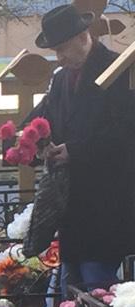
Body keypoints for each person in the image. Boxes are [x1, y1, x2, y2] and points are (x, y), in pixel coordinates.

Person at [10, 5, 135, 291]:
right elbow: (45, 119)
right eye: (55, 51)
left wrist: (75, 151)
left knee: (98, 289)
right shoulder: (61, 78)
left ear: (82, 37)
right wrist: (33, 143)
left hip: (108, 202)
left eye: (63, 48)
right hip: (72, 206)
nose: (60, 57)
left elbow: (126, 131)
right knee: (71, 290)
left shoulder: (118, 70)